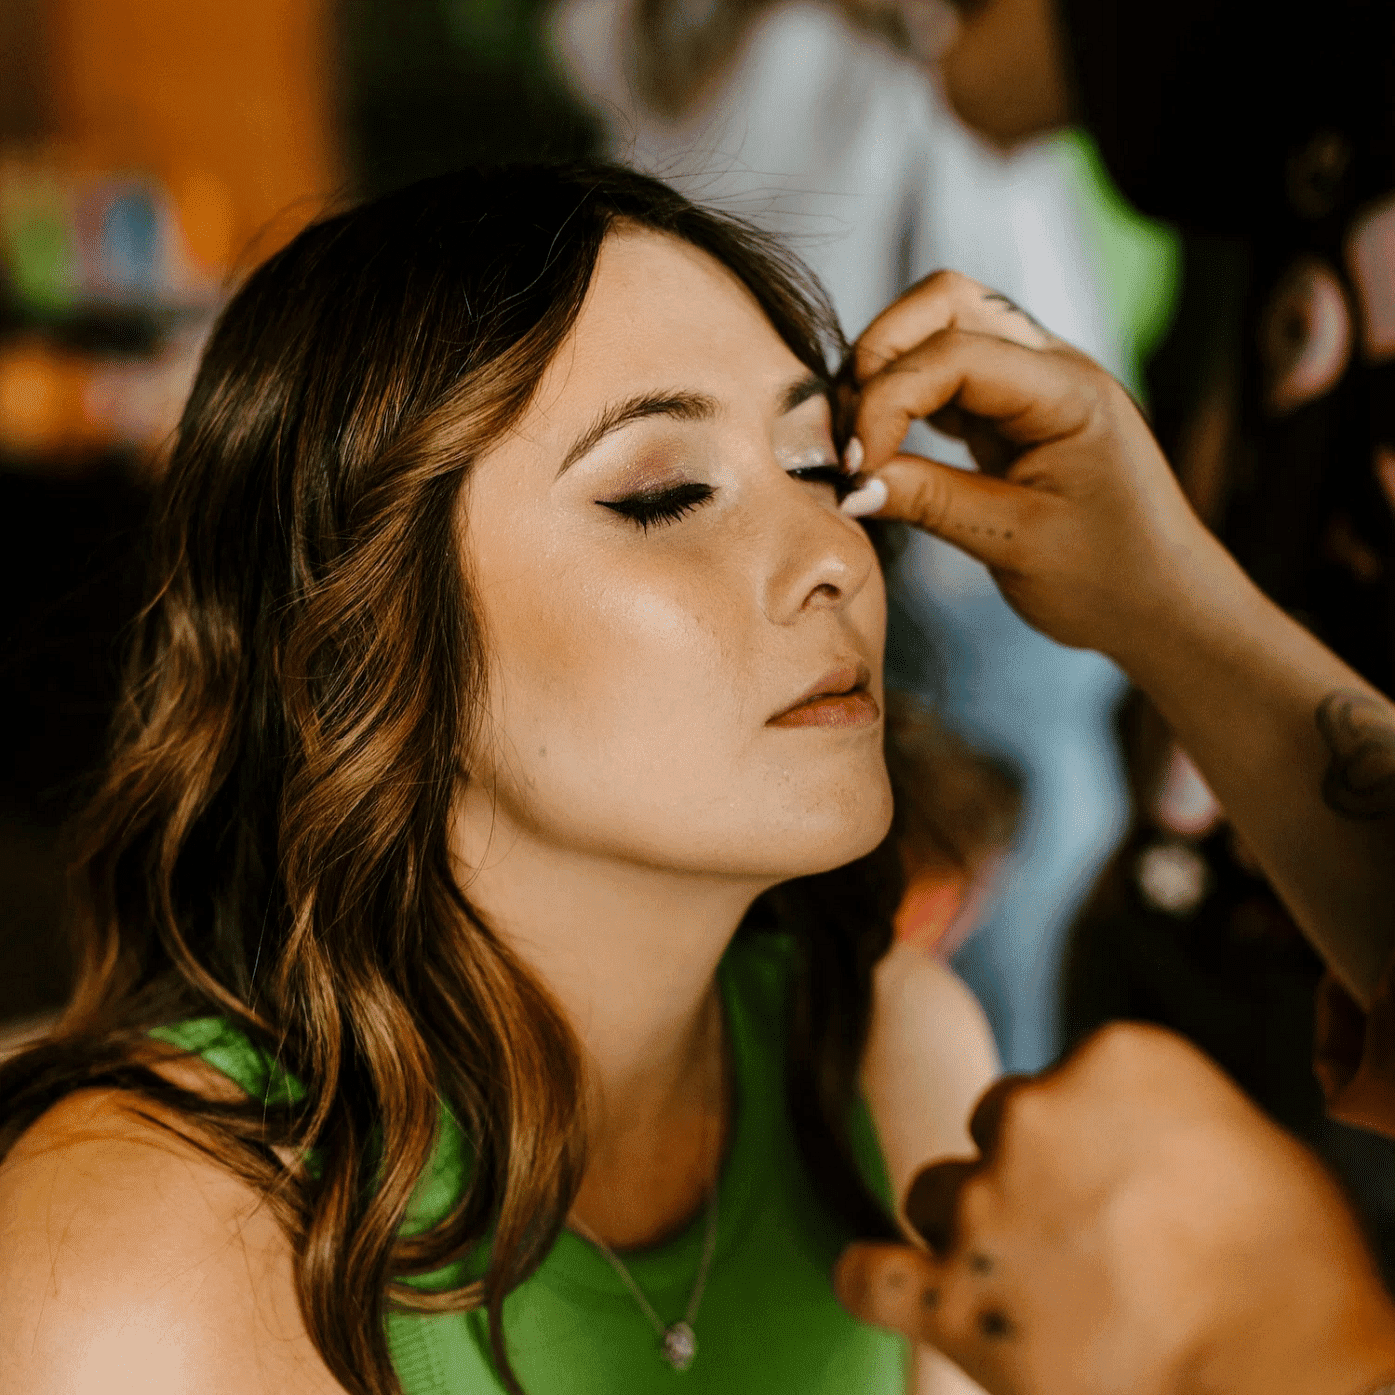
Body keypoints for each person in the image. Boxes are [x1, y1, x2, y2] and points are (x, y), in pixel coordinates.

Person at [0, 163, 1001, 1395]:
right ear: (368, 636)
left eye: (814, 464)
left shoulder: (901, 1059)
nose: (832, 555)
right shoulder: (135, 1257)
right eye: (664, 493)